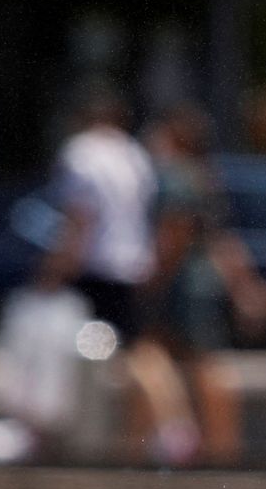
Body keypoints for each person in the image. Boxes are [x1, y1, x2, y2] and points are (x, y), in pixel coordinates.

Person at [35, 83, 196, 463]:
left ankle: (168, 430)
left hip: (96, 266)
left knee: (112, 353)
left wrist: (57, 268)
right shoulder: (134, 155)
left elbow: (80, 218)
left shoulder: (81, 154)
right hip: (132, 264)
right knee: (138, 350)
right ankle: (164, 429)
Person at [142, 103, 266, 466]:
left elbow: (175, 232)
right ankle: (220, 445)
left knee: (191, 362)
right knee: (198, 362)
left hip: (185, 282)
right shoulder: (205, 176)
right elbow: (223, 239)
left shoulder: (176, 176)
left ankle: (199, 443)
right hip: (204, 280)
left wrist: (153, 277)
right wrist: (244, 288)